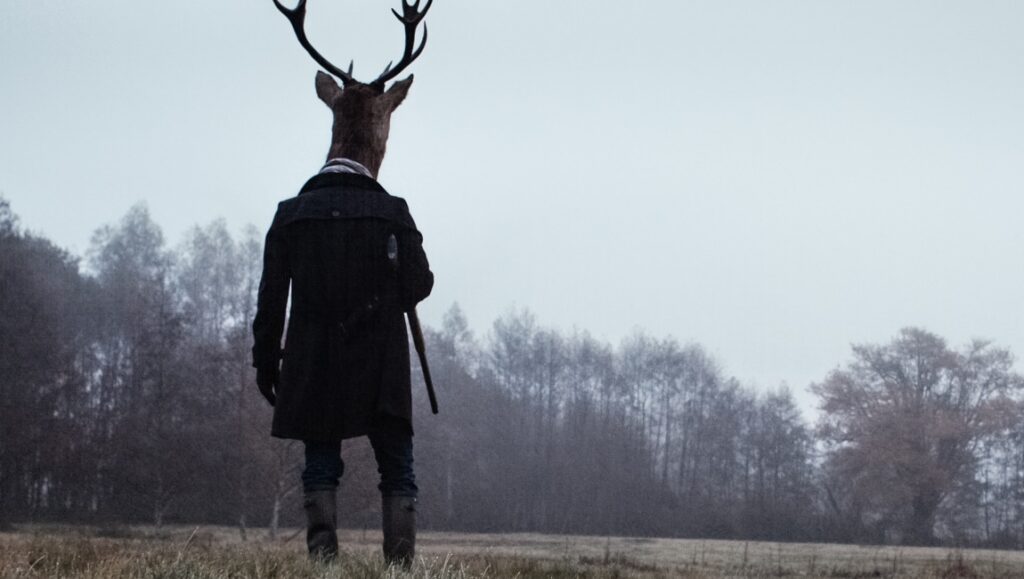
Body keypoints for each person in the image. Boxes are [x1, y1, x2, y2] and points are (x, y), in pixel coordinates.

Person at [252, 156, 433, 565]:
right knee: (398, 469)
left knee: (320, 467)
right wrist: (382, 293)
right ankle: (400, 572)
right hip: (382, 365)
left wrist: (265, 360)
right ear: (365, 176)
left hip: (316, 363)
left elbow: (271, 299)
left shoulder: (290, 216)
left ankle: (324, 569)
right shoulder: (393, 211)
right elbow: (419, 283)